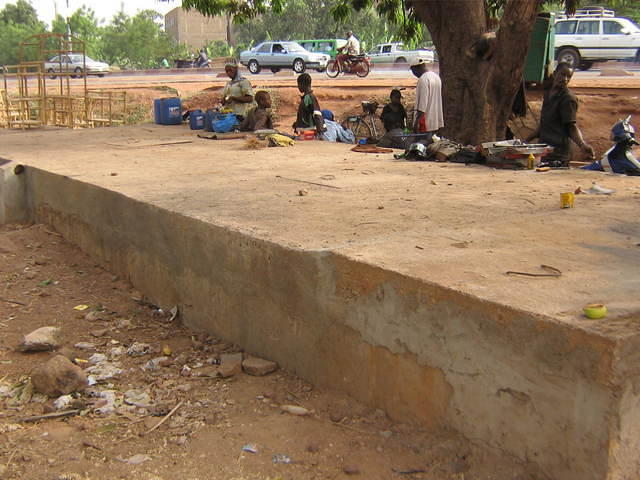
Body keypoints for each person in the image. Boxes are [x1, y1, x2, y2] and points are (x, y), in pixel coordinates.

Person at [526, 62, 594, 168]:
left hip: (559, 153)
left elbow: (571, 126)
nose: (565, 79)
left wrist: (582, 144)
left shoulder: (568, 99)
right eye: (563, 74)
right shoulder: (548, 94)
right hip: (545, 150)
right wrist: (525, 141)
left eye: (569, 77)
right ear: (554, 73)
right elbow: (545, 125)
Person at [410, 58, 443, 134]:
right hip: (436, 121)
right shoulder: (436, 77)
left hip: (426, 122)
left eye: (413, 71)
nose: (414, 74)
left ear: (416, 68)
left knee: (422, 144)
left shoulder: (423, 79)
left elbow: (422, 105)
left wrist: (417, 123)